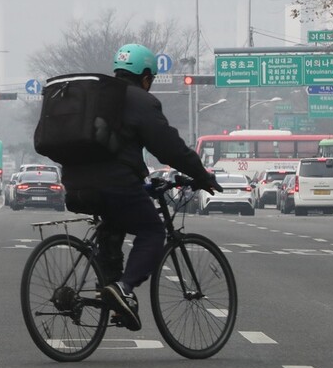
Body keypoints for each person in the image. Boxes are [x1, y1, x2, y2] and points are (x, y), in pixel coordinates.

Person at [61, 43, 221, 332]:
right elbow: (169, 148)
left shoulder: (97, 96)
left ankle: (116, 301)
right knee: (152, 231)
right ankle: (123, 288)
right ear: (145, 76)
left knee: (113, 229)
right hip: (115, 183)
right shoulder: (139, 101)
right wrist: (202, 175)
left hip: (75, 184)